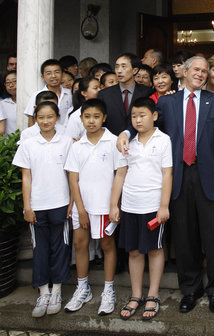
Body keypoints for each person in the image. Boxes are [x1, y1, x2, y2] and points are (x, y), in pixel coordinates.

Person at [117, 56, 214, 314]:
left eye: (205, 71)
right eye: (197, 70)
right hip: (177, 176)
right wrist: (126, 133)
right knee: (185, 236)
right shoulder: (166, 101)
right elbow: (142, 119)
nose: (201, 74)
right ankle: (189, 290)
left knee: (212, 237)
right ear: (185, 73)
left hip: (209, 176)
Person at [110, 97, 172, 320]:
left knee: (155, 249)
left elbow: (167, 174)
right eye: (134, 116)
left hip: (153, 205)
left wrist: (163, 205)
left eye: (142, 115)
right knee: (134, 251)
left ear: (154, 116)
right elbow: (120, 174)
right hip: (130, 205)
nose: (138, 120)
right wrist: (113, 205)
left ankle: (152, 295)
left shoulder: (163, 140)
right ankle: (136, 295)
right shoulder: (126, 142)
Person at [13, 101, 73, 317]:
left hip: (61, 203)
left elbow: (71, 175)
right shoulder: (28, 144)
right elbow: (26, 177)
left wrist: (72, 202)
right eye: (41, 117)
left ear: (57, 117)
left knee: (60, 246)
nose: (46, 121)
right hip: (37, 205)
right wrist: (27, 206)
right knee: (40, 248)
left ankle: (56, 290)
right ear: (35, 119)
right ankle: (43, 291)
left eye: (50, 117)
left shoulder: (66, 142)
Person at [63, 99, 118, 316]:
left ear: (104, 118)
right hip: (82, 206)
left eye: (96, 116)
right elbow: (73, 180)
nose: (91, 121)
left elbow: (119, 175)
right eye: (87, 117)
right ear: (81, 119)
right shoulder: (76, 146)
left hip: (104, 206)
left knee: (107, 245)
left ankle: (108, 289)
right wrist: (80, 208)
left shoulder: (113, 142)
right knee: (80, 244)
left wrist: (114, 205)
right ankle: (82, 287)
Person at [97, 53, 153, 136]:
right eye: (117, 67)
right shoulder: (104, 94)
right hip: (112, 143)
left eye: (124, 66)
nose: (119, 71)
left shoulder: (147, 92)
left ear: (135, 70)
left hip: (140, 141)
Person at [23, 59, 73, 127]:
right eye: (49, 73)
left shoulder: (70, 94)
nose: (53, 76)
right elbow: (31, 118)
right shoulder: (36, 95)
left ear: (63, 74)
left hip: (66, 134)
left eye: (57, 72)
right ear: (43, 77)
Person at [66, 76, 101, 141]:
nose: (100, 90)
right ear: (84, 93)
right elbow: (70, 140)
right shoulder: (76, 116)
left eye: (100, 87)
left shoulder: (106, 109)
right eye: (95, 88)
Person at [0, 70, 17, 135]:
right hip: (10, 143)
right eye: (7, 82)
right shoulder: (2, 104)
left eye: (14, 81)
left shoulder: (30, 101)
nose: (11, 85)